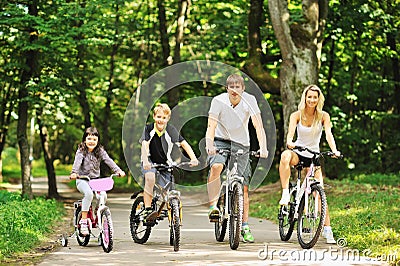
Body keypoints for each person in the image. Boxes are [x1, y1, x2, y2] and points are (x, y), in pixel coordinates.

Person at [205, 74, 269, 243]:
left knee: (244, 187)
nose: (234, 90)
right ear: (227, 88)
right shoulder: (218, 101)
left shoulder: (250, 100)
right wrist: (210, 144)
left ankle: (245, 225)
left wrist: (263, 147)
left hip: (241, 143)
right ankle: (213, 207)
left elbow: (258, 125)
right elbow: (211, 125)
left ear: (243, 88)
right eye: (231, 87)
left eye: (237, 86)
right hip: (220, 141)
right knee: (216, 167)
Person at [278, 84, 341, 244]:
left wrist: (334, 150)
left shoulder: (323, 116)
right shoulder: (296, 115)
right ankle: (286, 193)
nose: (312, 100)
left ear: (319, 99)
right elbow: (290, 133)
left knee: (319, 193)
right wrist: (289, 142)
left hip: (314, 156)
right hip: (298, 152)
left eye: (315, 97)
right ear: (305, 98)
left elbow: (328, 134)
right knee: (285, 156)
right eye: (309, 96)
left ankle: (327, 230)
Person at [140, 103, 199, 221]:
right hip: (149, 161)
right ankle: (147, 209)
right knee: (150, 178)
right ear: (154, 117)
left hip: (165, 162)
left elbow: (184, 144)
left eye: (163, 118)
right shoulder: (149, 129)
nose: (160, 120)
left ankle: (171, 212)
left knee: (167, 188)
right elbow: (144, 144)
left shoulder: (170, 130)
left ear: (168, 118)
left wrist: (193, 158)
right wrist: (146, 160)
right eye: (158, 117)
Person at [70, 127, 126, 236]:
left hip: (95, 180)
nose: (92, 142)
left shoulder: (99, 151)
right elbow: (77, 162)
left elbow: (108, 160)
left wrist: (118, 170)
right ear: (84, 140)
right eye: (89, 139)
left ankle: (98, 212)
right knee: (89, 194)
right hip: (82, 180)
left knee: (103, 195)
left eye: (94, 139)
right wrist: (74, 172)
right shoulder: (81, 151)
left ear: (98, 141)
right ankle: (84, 221)